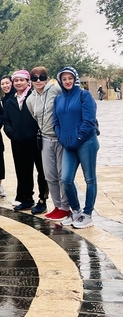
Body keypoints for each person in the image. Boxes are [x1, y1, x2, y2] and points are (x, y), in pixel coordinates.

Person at [53, 66, 99, 228]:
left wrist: (78, 137)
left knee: (90, 179)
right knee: (66, 179)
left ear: (75, 79)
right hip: (68, 145)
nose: (67, 81)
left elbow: (89, 120)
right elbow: (56, 122)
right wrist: (62, 137)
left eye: (70, 78)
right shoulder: (58, 99)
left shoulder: (84, 95)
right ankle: (77, 211)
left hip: (87, 142)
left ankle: (87, 214)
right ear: (60, 80)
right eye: (64, 79)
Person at [26, 66, 70, 221]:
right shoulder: (30, 99)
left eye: (42, 77)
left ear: (47, 78)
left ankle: (65, 207)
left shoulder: (55, 90)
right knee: (49, 175)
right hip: (45, 139)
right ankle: (57, 206)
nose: (39, 81)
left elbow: (67, 105)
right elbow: (35, 116)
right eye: (35, 78)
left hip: (60, 139)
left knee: (62, 174)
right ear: (31, 80)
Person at [3, 70, 48, 213]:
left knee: (42, 171)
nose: (18, 83)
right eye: (16, 80)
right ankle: (27, 199)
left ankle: (42, 200)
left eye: (21, 80)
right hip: (18, 142)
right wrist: (11, 133)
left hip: (35, 141)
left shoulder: (34, 96)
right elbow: (6, 120)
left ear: (28, 81)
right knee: (23, 172)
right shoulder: (10, 100)